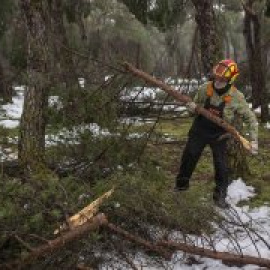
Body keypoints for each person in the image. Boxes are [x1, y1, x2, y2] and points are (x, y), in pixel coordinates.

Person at [174, 59, 258, 208]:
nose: (218, 79)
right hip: (199, 130)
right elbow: (192, 109)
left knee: (221, 166)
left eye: (222, 77)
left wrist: (254, 140)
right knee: (189, 157)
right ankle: (180, 189)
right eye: (217, 75)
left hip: (219, 135)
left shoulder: (236, 96)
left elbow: (251, 119)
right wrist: (191, 108)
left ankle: (219, 197)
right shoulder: (204, 88)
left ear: (230, 78)